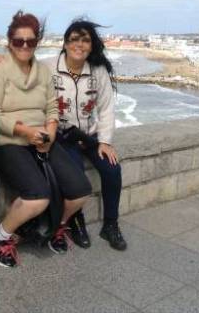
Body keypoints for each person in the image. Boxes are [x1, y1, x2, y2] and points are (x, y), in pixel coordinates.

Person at [0, 11, 92, 268]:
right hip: (7, 141)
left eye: (30, 41)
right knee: (37, 196)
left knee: (80, 190)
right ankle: (0, 236)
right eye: (19, 41)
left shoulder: (42, 71)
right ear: (9, 42)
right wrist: (25, 131)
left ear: (37, 42)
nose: (24, 46)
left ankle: (55, 226)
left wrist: (50, 131)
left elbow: (52, 107)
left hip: (42, 139)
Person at [46, 18, 127, 251]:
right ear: (65, 42)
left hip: (89, 137)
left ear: (92, 46)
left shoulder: (98, 71)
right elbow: (20, 66)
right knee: (75, 175)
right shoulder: (49, 66)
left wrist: (105, 142)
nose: (79, 44)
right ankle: (76, 221)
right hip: (62, 136)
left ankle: (111, 224)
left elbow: (106, 107)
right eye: (74, 39)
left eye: (85, 40)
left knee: (112, 169)